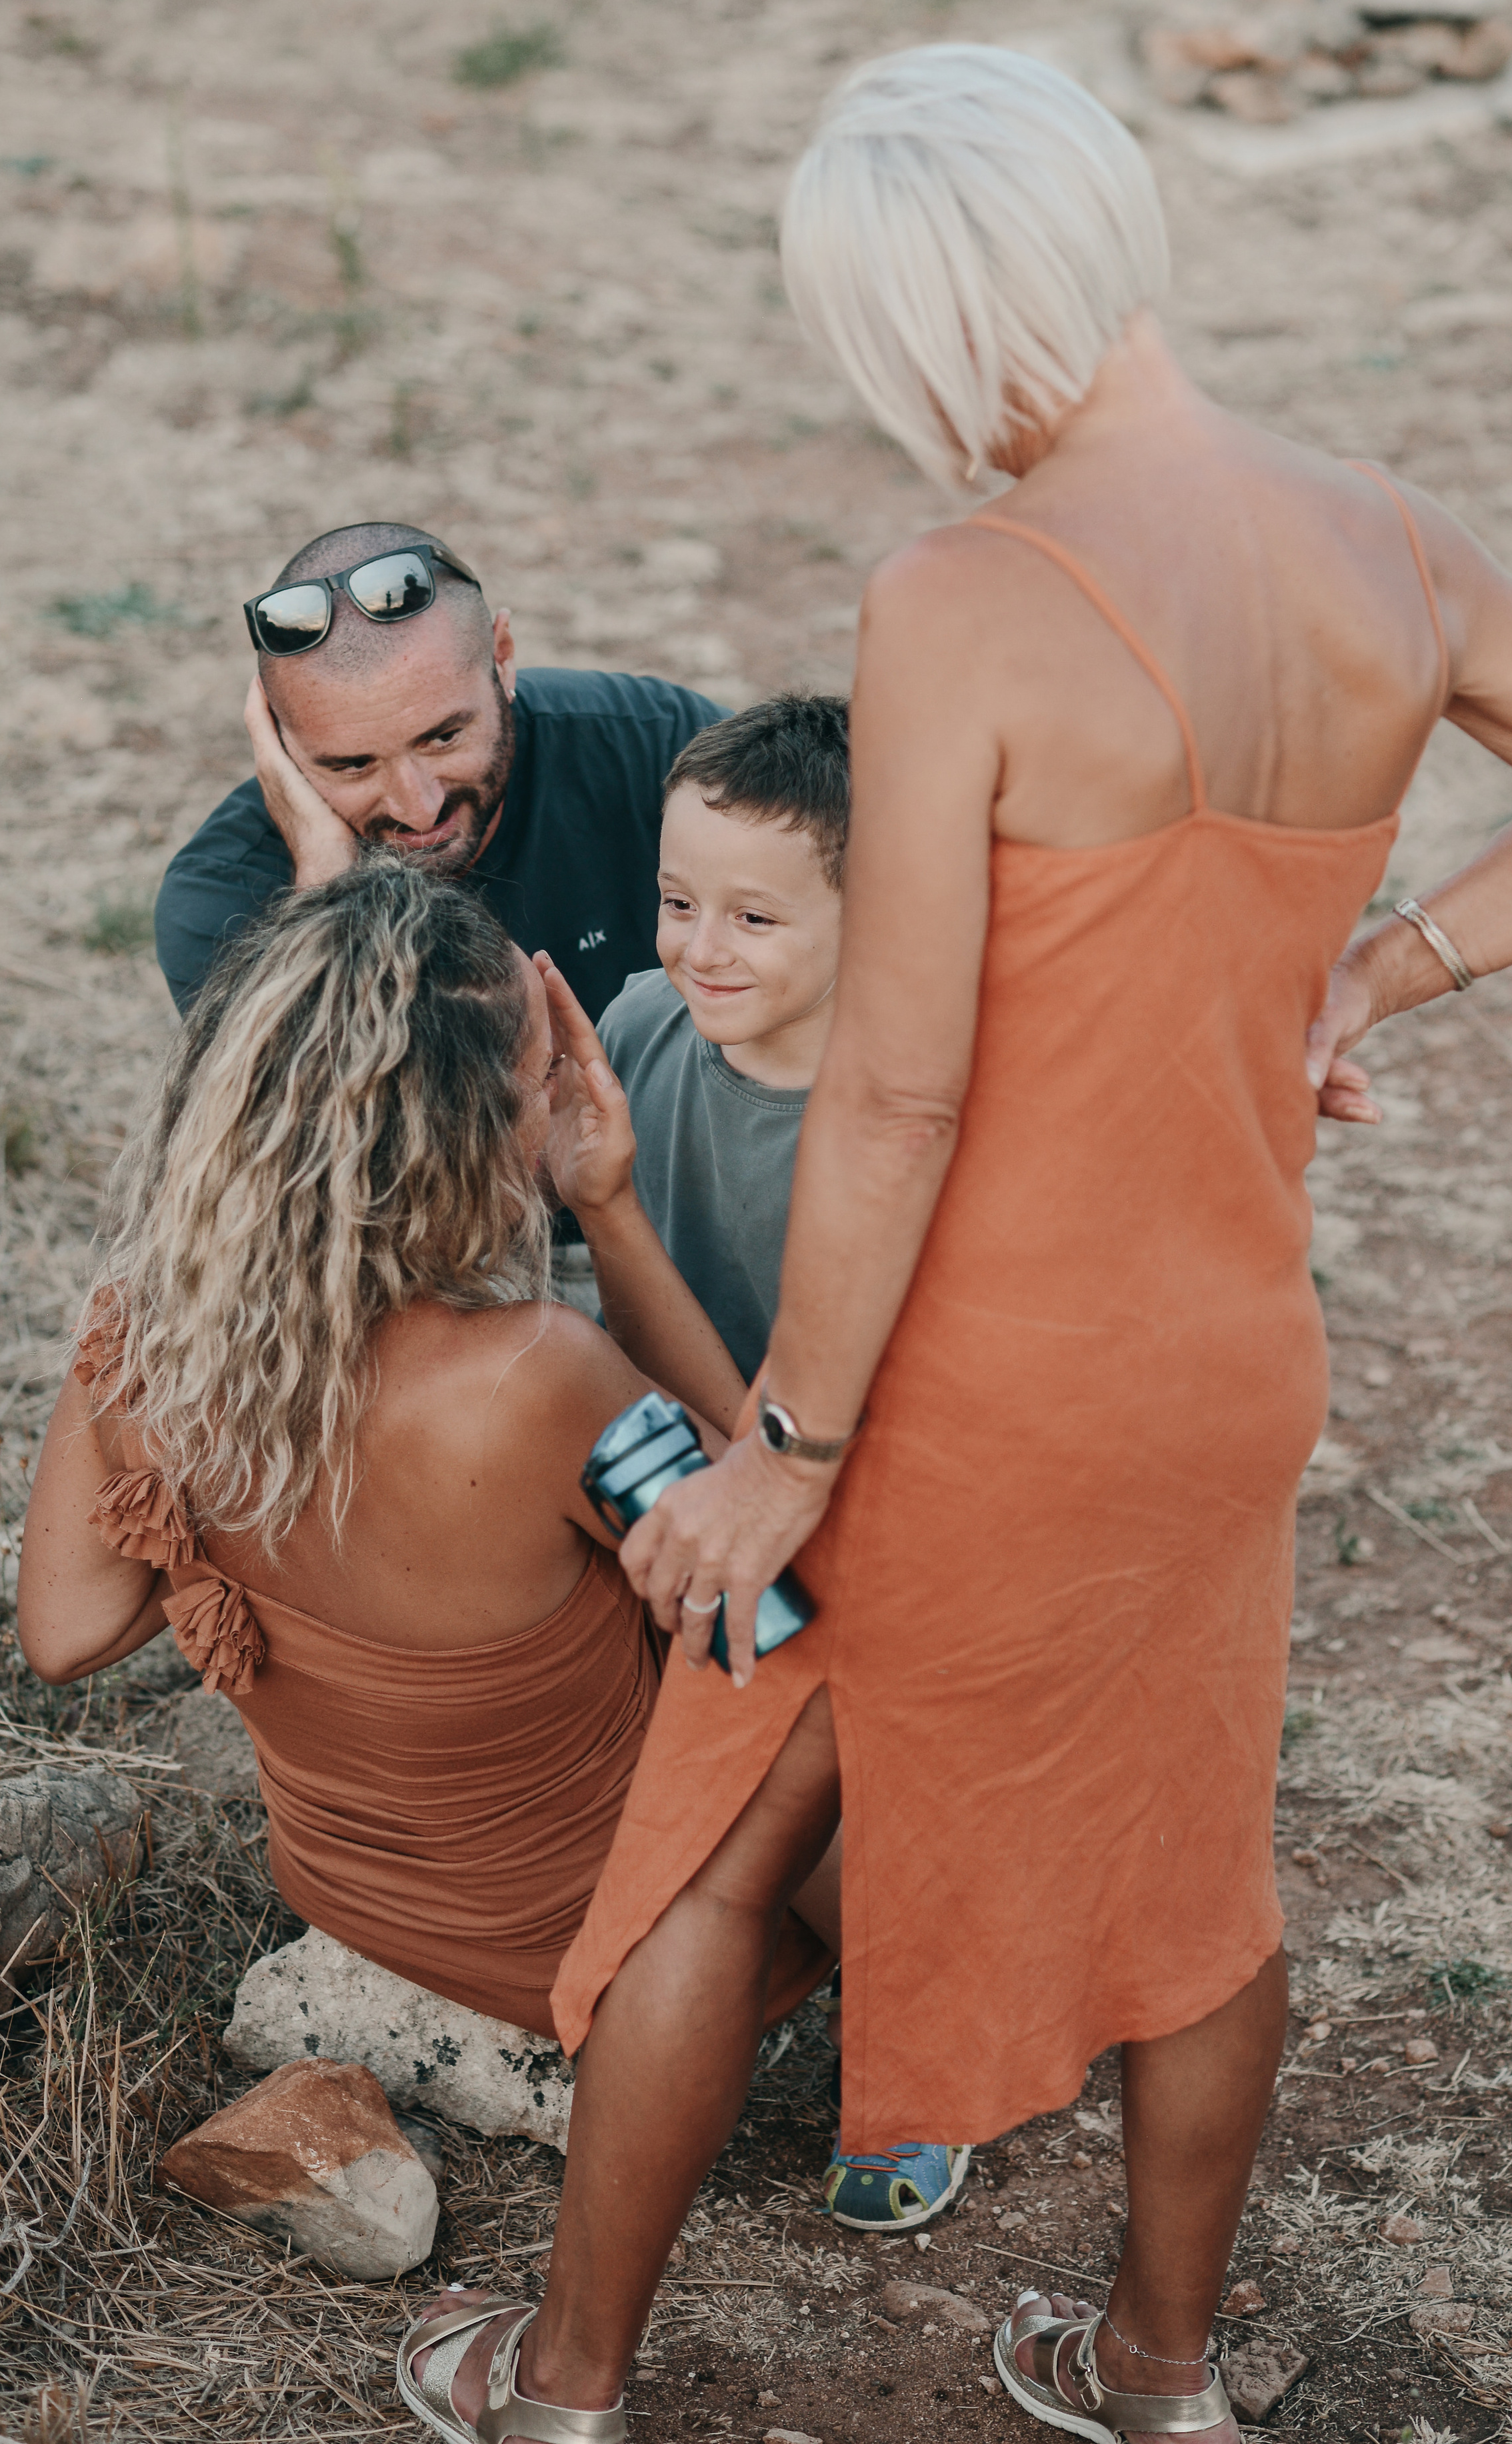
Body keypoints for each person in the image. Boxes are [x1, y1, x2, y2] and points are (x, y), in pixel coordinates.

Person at [397, 43, 1512, 2444]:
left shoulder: (965, 592)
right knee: (1195, 1874)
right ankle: (1158, 2382)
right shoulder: (1380, 533)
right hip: (1221, 1356)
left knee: (706, 1852)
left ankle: (556, 2388)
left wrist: (794, 1442)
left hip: (968, 1375)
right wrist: (1371, 965)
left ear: (923, 320)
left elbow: (899, 1083)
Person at [17, 860, 835, 2043]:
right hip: (603, 1936)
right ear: (468, 1127)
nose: (561, 1077)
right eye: (539, 1071)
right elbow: (762, 1577)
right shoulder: (532, 1374)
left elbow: (66, 1630)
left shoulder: (147, 1340)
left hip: (359, 1899)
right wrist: (605, 1206)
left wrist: (266, 1530)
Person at [552, 691, 970, 2229]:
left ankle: (922, 2038)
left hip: (861, 1505)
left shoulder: (902, 1129)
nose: (696, 945)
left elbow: (822, 1433)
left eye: (752, 914)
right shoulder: (652, 1026)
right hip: (696, 1463)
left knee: (790, 1753)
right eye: (673, 900)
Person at [153, 520, 723, 1023]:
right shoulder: (223, 902)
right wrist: (328, 889)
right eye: (353, 766)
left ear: (503, 657)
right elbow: (343, 1129)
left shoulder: (664, 747)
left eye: (444, 737)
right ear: (276, 740)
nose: (417, 807)